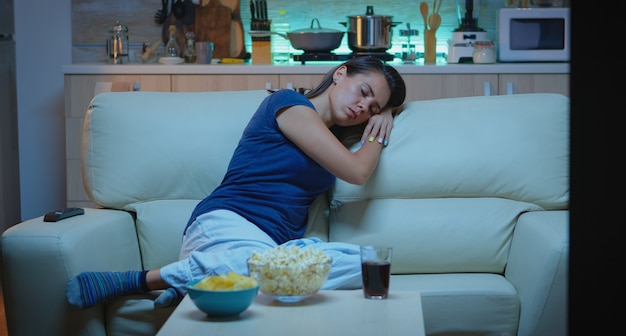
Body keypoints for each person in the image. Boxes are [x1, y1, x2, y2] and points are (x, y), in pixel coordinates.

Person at [66, 56, 406, 309]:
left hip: (273, 250)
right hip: (225, 226)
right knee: (261, 267)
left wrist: (387, 112)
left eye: (372, 108)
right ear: (340, 73)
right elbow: (358, 171)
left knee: (363, 262)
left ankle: (199, 282)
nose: (363, 107)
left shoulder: (334, 138)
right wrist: (378, 131)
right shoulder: (289, 105)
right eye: (364, 92)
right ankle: (143, 280)